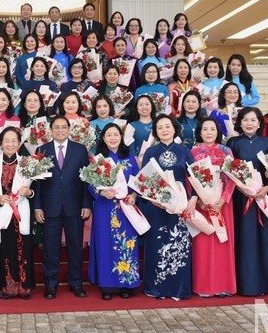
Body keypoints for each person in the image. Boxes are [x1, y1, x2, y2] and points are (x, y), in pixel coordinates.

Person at [226, 107, 268, 296]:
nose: (249, 123)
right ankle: (247, 284)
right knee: (246, 240)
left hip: (264, 196)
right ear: (240, 122)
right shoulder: (233, 143)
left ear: (260, 123)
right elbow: (229, 170)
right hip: (241, 197)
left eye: (253, 120)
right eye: (245, 120)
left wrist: (267, 187)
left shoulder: (267, 142)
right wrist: (241, 187)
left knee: (266, 239)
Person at [34, 115, 92, 299]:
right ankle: (51, 284)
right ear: (51, 130)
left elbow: (86, 179)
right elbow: (37, 182)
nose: (60, 130)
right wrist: (38, 207)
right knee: (51, 248)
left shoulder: (80, 150)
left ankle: (76, 283)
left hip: (74, 207)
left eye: (63, 127)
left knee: (75, 247)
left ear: (69, 129)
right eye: (56, 127)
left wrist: (86, 204)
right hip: (50, 207)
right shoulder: (41, 149)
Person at [141, 114, 195, 299]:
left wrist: (194, 199)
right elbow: (145, 178)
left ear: (174, 129)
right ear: (156, 132)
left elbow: (195, 178)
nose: (164, 130)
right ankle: (156, 288)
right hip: (156, 206)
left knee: (178, 245)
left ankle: (178, 289)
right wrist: (153, 198)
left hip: (179, 207)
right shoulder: (150, 152)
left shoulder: (185, 151)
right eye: (160, 127)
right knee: (156, 245)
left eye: (167, 126)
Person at [88, 124, 140, 300]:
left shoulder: (130, 159)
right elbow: (89, 184)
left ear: (121, 136)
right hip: (105, 207)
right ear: (103, 138)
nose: (112, 138)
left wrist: (134, 195)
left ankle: (126, 284)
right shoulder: (98, 160)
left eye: (115, 134)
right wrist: (102, 192)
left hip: (126, 208)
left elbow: (139, 182)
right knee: (105, 244)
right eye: (108, 135)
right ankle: (107, 285)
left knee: (127, 244)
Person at [0, 126, 35, 299]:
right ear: (0, 143)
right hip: (2, 212)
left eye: (14, 140)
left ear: (19, 143)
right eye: (6, 140)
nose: (10, 144)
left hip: (20, 211)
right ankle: (7, 287)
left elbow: (34, 189)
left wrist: (28, 192)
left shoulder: (28, 163)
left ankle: (23, 287)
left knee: (23, 248)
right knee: (4, 249)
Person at [191, 118, 237, 297]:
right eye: (205, 129)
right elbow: (190, 179)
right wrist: (201, 202)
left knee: (222, 242)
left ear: (218, 132)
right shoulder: (193, 152)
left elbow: (233, 177)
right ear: (200, 132)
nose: (209, 132)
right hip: (203, 205)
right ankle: (204, 286)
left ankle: (224, 285)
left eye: (212, 129)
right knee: (203, 244)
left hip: (222, 205)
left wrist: (223, 200)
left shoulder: (226, 151)